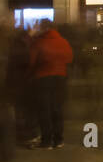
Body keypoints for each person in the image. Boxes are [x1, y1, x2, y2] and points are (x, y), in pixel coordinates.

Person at [29, 20, 74, 149]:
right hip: (60, 78)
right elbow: (69, 58)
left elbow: (32, 60)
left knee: (44, 110)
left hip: (43, 78)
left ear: (43, 28)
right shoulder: (63, 41)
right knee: (57, 108)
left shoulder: (39, 42)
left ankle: (46, 141)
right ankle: (59, 139)